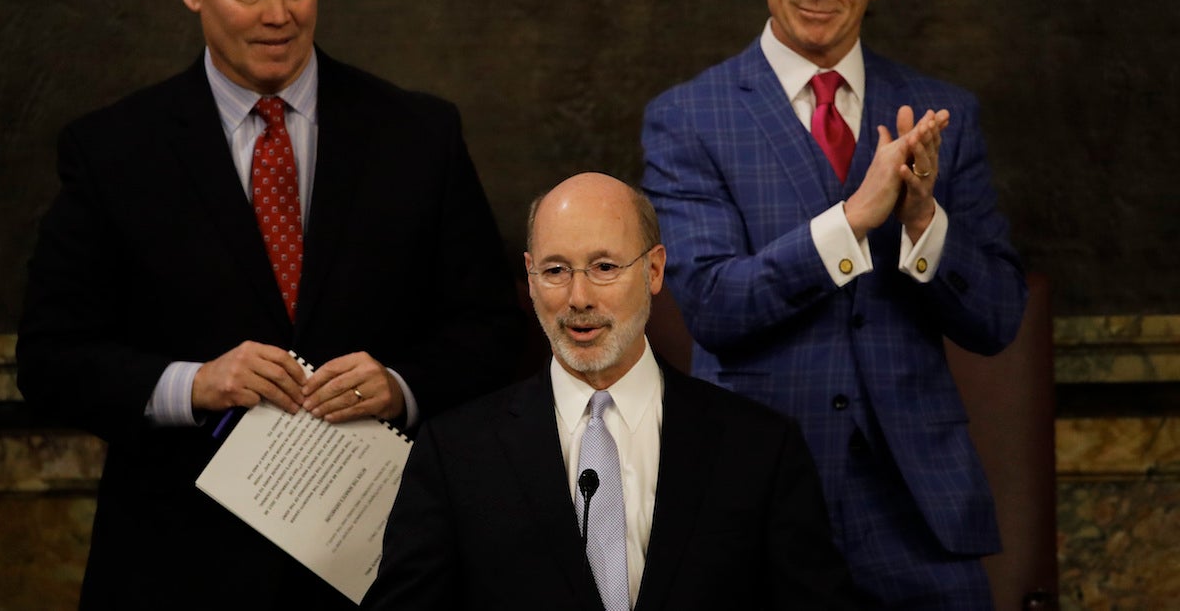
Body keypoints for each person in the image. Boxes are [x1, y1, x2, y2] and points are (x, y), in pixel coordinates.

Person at [15, 0, 523, 608]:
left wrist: (400, 385)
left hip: (384, 568)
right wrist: (195, 383)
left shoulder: (418, 134)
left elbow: (494, 333)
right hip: (179, 570)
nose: (278, 13)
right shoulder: (112, 150)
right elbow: (49, 360)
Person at [640, 0, 1028, 608]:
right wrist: (852, 221)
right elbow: (711, 304)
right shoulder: (686, 118)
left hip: (920, 515)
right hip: (756, 504)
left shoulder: (943, 115)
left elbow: (997, 319)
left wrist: (922, 221)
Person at [363, 172, 861, 611]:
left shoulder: (760, 448)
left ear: (654, 270)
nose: (579, 298)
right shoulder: (455, 454)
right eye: (556, 271)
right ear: (531, 279)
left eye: (604, 267)